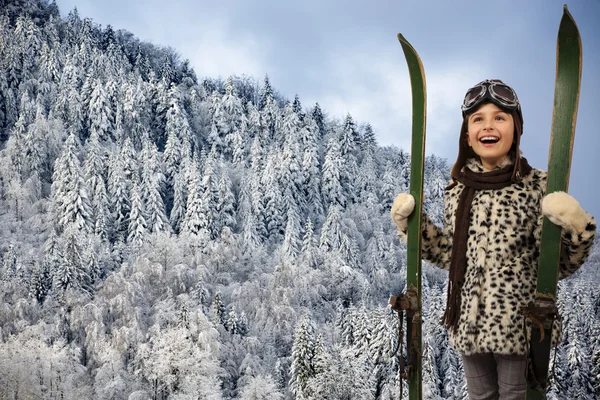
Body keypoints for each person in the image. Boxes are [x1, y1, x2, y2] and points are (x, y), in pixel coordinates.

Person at [390, 79, 596, 400]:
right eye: (478, 119)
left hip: (519, 326)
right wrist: (414, 228)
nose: (489, 125)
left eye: (500, 117)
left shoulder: (536, 185)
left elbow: (558, 267)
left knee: (516, 397)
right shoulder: (457, 190)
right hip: (467, 322)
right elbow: (450, 253)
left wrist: (578, 229)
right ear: (468, 135)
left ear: (515, 129)